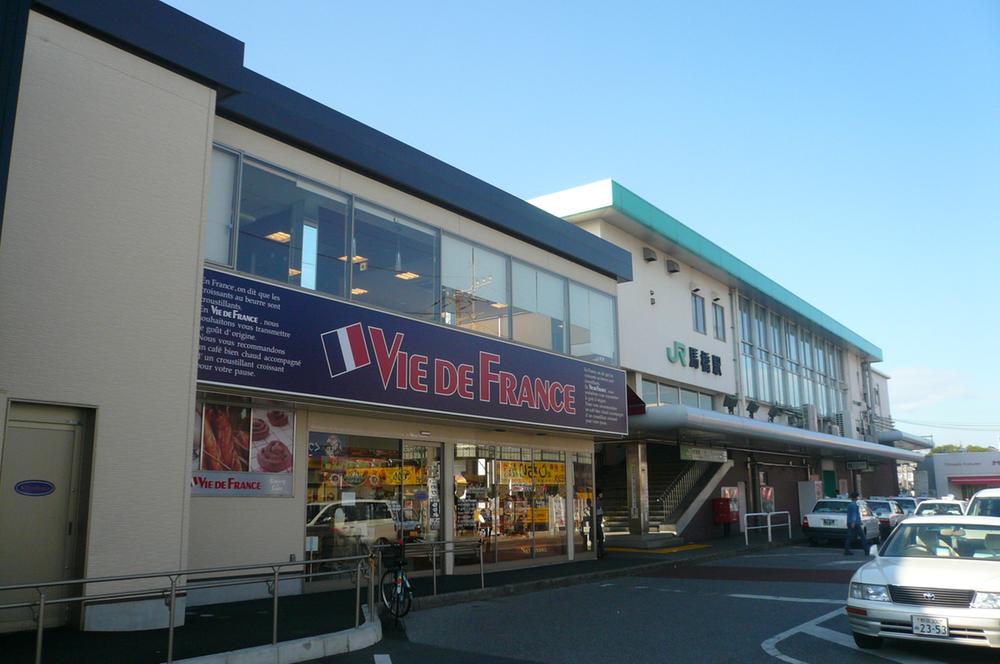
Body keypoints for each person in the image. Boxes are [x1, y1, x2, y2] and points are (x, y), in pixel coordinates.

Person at [595, 488, 606, 559]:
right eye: (601, 493)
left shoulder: (597, 501)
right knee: (600, 538)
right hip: (598, 522)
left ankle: (600, 552)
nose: (602, 494)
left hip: (598, 522)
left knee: (600, 538)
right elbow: (599, 512)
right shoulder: (597, 502)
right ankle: (600, 552)